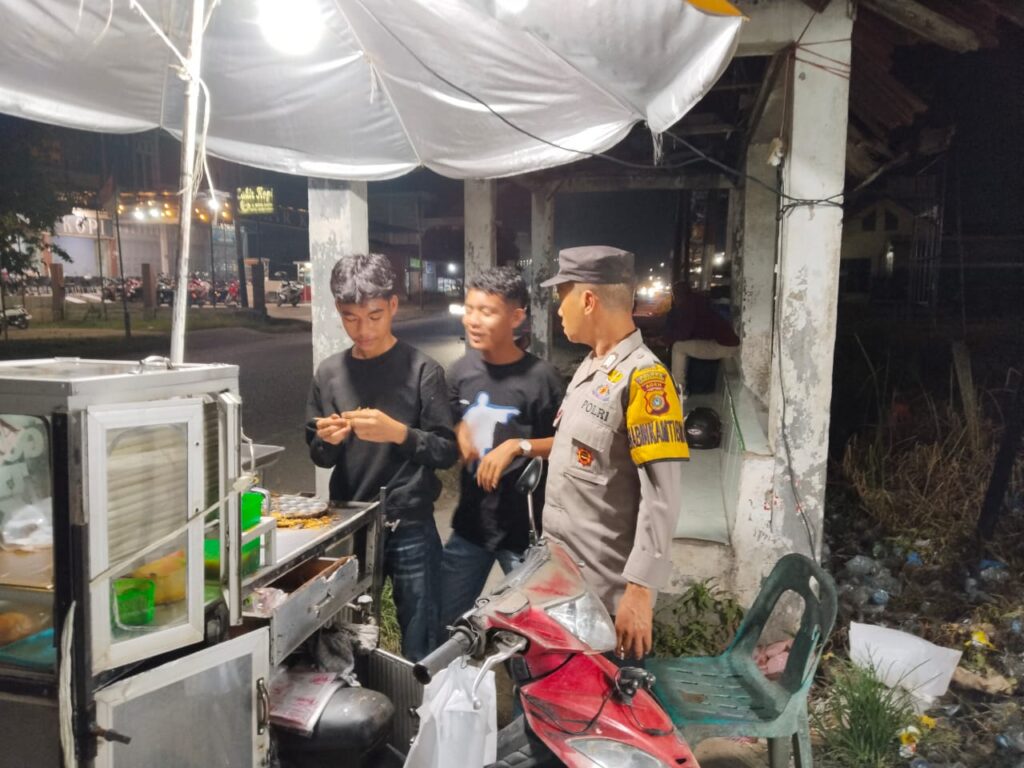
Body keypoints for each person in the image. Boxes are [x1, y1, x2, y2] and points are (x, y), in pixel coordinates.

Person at [306, 253, 457, 661]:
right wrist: (328, 440)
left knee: (421, 632)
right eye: (350, 318)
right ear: (338, 311)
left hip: (409, 522)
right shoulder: (330, 373)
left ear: (392, 305)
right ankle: (360, 694)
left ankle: (420, 697)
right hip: (350, 520)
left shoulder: (422, 370)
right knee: (347, 630)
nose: (364, 330)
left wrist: (399, 434)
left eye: (374, 316)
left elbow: (446, 450)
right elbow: (320, 455)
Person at [540, 245, 689, 662]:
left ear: (588, 300)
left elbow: (662, 497)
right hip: (567, 583)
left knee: (603, 699)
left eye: (562, 298)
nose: (558, 310)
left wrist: (639, 590)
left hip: (604, 599)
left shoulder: (645, 380)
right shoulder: (592, 367)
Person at [440, 266, 564, 630]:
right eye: (469, 309)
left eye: (487, 311)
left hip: (525, 535)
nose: (473, 320)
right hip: (470, 529)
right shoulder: (459, 373)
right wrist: (456, 433)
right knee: (445, 627)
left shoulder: (542, 378)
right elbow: (446, 433)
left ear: (516, 317)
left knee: (536, 637)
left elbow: (567, 444)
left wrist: (518, 446)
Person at [664, 281, 739, 394]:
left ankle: (679, 390)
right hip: (729, 344)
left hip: (724, 346)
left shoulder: (689, 305)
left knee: (678, 347)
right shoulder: (697, 301)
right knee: (684, 345)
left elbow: (684, 333)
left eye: (675, 295)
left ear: (678, 294)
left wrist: (664, 340)